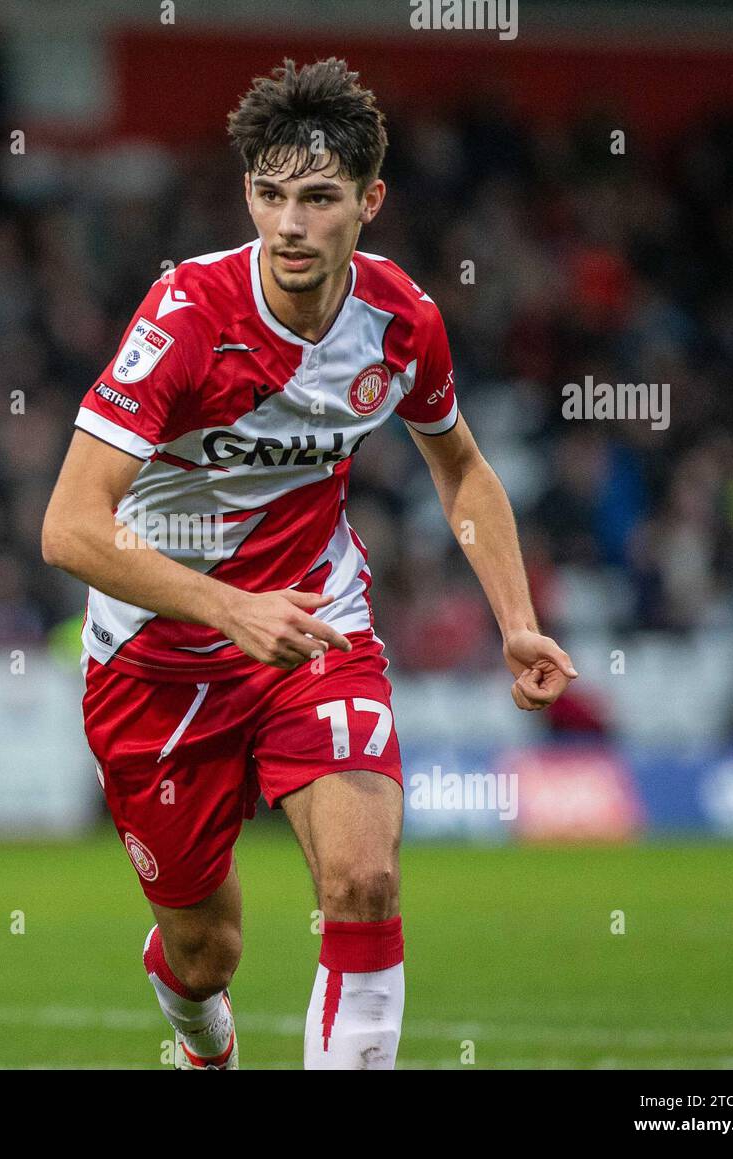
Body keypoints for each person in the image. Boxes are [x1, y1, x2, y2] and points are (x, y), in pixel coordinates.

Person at [41, 57, 577, 1070]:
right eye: (270, 194)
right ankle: (203, 1046)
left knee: (364, 883)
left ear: (369, 202)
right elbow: (69, 527)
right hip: (155, 663)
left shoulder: (401, 320)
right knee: (207, 952)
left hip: (316, 631)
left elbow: (461, 472)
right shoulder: (186, 319)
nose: (289, 223)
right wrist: (228, 608)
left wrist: (516, 618)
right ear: (248, 192)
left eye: (319, 197)